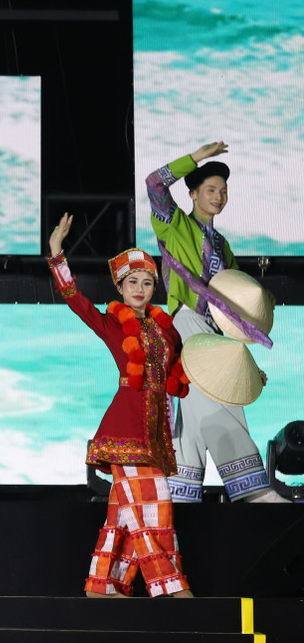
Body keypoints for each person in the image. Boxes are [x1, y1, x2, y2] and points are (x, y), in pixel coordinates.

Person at [46, 213, 193, 598]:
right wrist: (57, 253)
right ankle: (172, 587)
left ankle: (103, 588)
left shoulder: (166, 332)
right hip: (123, 430)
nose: (140, 289)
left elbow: (188, 369)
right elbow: (76, 301)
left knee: (125, 516)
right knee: (153, 509)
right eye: (132, 282)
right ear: (120, 287)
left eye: (147, 282)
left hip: (156, 434)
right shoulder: (112, 325)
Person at [145, 141, 286, 503]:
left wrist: (247, 362)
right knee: (222, 399)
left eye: (223, 191)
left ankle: (179, 492)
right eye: (210, 189)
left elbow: (235, 312)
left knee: (193, 408)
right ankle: (253, 490)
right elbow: (154, 183)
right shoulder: (176, 225)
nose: (219, 196)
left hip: (213, 332)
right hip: (186, 322)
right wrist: (197, 157)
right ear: (192, 194)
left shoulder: (222, 246)